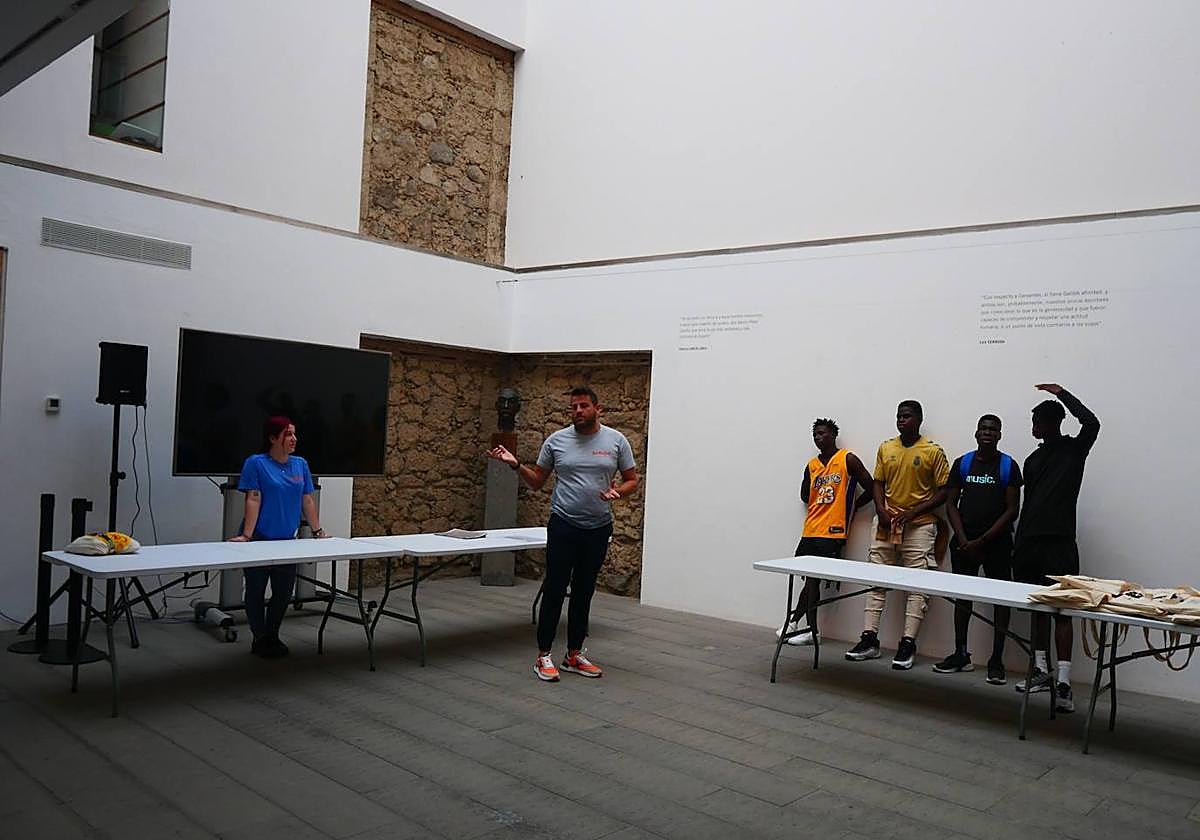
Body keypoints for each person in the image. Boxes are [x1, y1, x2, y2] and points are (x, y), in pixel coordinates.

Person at [487, 387, 639, 682]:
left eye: (584, 406)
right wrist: (516, 465)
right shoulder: (556, 441)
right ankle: (543, 655)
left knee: (584, 591)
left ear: (598, 409)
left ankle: (574, 654)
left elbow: (632, 479)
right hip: (564, 525)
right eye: (573, 407)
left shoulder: (616, 441)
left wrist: (618, 491)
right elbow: (537, 483)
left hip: (598, 527)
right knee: (555, 588)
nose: (578, 411)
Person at [1013, 384, 1099, 713]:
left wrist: (1062, 393)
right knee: (1038, 610)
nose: (1034, 428)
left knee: (1061, 611)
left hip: (1060, 542)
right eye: (1034, 422)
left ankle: (1063, 682)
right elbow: (1029, 503)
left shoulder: (1074, 450)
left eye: (1039, 422)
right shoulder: (1033, 459)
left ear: (1054, 423)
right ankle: (1040, 670)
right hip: (1030, 542)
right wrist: (1019, 543)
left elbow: (1092, 422)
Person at [845, 400, 949, 669]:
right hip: (886, 523)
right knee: (876, 579)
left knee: (917, 585)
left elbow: (944, 492)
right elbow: (879, 482)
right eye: (898, 416)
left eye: (907, 416)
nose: (901, 420)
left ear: (919, 419)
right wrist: (881, 508)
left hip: (920, 526)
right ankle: (869, 639)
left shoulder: (933, 451)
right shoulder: (886, 447)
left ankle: (907, 643)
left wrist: (913, 513)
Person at [933, 414, 1022, 684]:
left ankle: (996, 659)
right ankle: (961, 653)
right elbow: (951, 504)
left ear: (999, 435)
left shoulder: (1008, 466)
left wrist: (983, 541)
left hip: (996, 545)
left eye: (993, 429)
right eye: (983, 428)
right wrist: (963, 539)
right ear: (976, 433)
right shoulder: (963, 463)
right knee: (963, 599)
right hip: (964, 544)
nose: (987, 433)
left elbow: (1012, 510)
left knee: (1000, 601)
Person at [229, 416, 328, 658]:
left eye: (294, 434)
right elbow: (253, 497)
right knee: (255, 589)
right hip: (259, 538)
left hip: (286, 541)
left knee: (284, 591)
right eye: (288, 434)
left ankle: (272, 634)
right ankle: (260, 637)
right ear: (273, 438)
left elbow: (307, 499)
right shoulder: (256, 463)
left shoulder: (300, 464)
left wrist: (317, 532)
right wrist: (246, 536)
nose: (294, 439)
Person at [777, 418, 873, 645]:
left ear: (833, 435)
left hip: (833, 531)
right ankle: (800, 624)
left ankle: (806, 627)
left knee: (813, 580)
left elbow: (871, 487)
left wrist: (853, 505)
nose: (819, 438)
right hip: (811, 529)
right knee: (809, 579)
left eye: (822, 433)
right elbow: (804, 495)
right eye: (815, 435)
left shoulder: (846, 458)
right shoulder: (811, 465)